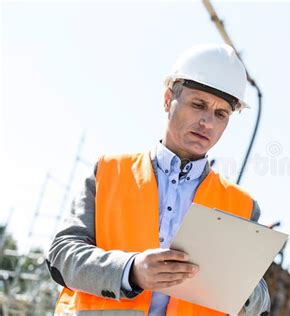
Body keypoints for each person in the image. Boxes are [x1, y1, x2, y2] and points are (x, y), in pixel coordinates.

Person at [47, 43, 271, 316]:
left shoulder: (242, 206)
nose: (207, 123)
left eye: (220, 114)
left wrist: (237, 285)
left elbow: (260, 304)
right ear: (168, 99)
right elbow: (62, 257)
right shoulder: (110, 172)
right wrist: (131, 270)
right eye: (198, 105)